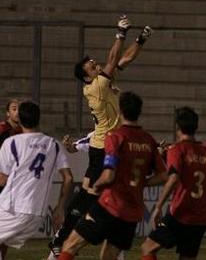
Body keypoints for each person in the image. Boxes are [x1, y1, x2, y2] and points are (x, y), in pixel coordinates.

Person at [47, 15, 152, 259]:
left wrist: (140, 40)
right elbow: (114, 58)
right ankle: (60, 241)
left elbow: (124, 59)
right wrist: (120, 33)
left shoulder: (103, 82)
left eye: (95, 64)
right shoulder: (96, 87)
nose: (96, 65)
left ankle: (82, 238)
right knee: (89, 194)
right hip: (103, 147)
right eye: (92, 67)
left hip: (111, 144)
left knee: (104, 193)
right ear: (87, 77)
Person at [58, 91, 166, 260]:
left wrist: (96, 185)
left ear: (120, 111)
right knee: (109, 256)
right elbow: (163, 176)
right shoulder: (148, 140)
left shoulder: (115, 137)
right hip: (133, 211)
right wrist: (141, 183)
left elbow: (108, 175)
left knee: (69, 245)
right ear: (139, 112)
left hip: (111, 204)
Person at [0, 101, 73, 260]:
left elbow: (1, 180)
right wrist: (60, 208)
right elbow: (68, 178)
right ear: (38, 119)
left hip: (14, 208)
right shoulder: (54, 145)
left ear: (20, 121)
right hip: (37, 214)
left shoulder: (12, 143)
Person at [140, 107, 206, 260]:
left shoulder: (178, 149)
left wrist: (158, 207)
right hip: (201, 218)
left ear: (177, 128)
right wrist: (204, 190)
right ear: (196, 127)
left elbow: (172, 178)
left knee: (147, 248)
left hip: (180, 214)